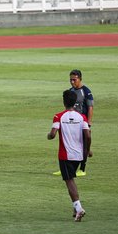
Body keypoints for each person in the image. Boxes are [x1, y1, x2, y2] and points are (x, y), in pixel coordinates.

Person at [47, 90, 92, 222]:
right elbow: (88, 135)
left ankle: (78, 208)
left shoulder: (58, 116)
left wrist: (49, 136)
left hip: (65, 155)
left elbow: (53, 134)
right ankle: (75, 209)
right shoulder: (82, 117)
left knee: (69, 180)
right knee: (71, 178)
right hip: (79, 155)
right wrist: (88, 150)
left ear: (64, 101)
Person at [53, 69, 94, 176]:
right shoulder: (70, 91)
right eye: (70, 80)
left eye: (74, 80)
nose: (72, 82)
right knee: (67, 143)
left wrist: (89, 123)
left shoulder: (86, 91)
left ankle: (82, 169)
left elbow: (90, 108)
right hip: (71, 122)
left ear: (80, 79)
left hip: (82, 122)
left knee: (83, 145)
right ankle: (64, 168)